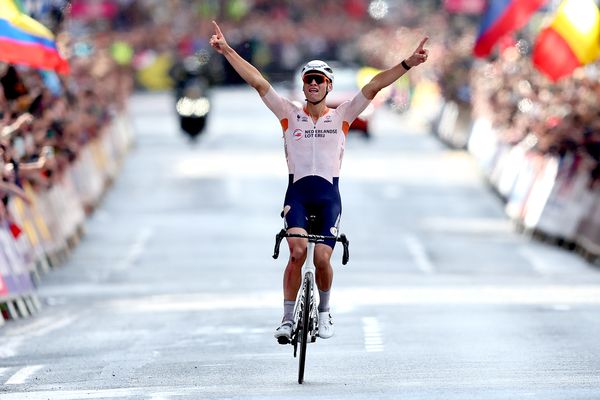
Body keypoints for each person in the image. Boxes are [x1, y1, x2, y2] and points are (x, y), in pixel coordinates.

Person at [209, 21, 429, 344]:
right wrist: (227, 50)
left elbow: (374, 86)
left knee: (323, 258)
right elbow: (258, 82)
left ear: (328, 86)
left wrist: (409, 63)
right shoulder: (288, 113)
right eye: (308, 80)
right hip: (296, 195)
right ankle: (286, 318)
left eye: (319, 80)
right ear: (303, 86)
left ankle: (324, 312)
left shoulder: (342, 116)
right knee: (297, 253)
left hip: (328, 198)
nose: (313, 85)